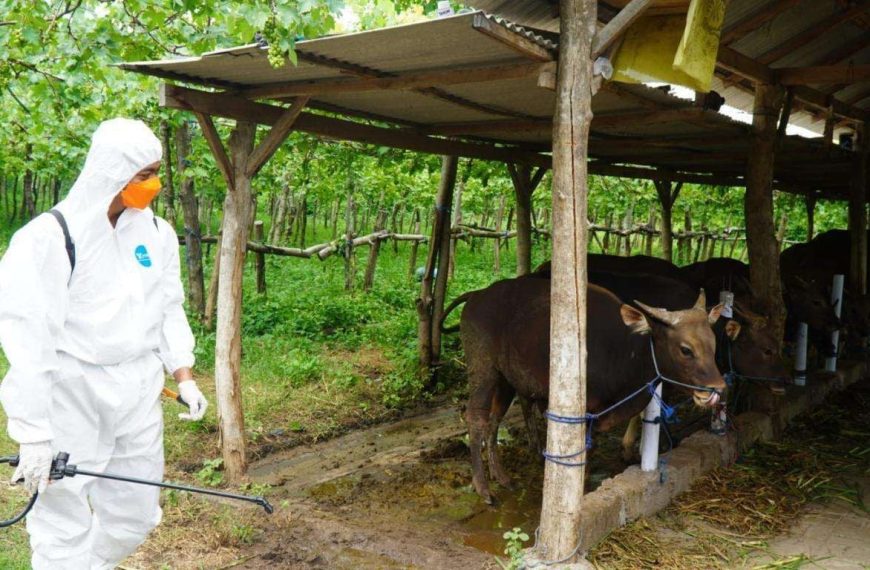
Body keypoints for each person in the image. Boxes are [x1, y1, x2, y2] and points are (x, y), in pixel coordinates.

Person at [0, 118, 209, 569]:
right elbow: (29, 339)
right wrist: (33, 432)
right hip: (72, 389)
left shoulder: (157, 233)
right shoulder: (50, 238)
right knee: (62, 523)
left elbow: (169, 307)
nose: (153, 184)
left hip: (138, 387)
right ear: (110, 172)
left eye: (157, 172)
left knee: (137, 515)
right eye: (143, 175)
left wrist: (184, 375)